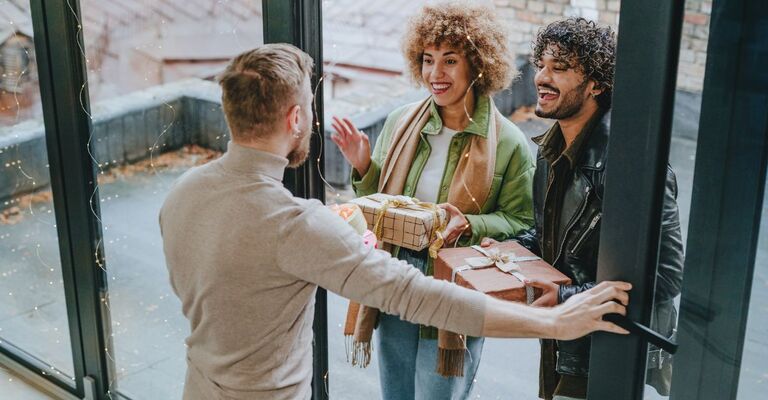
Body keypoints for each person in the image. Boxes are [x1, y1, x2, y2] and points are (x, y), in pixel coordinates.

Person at [159, 43, 632, 400]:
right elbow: (417, 296)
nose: (436, 71)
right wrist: (553, 323)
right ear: (297, 117)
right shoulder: (296, 225)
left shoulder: (182, 193)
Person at [331, 4, 536, 398]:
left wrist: (471, 224)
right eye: (427, 60)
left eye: (450, 60)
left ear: (477, 64)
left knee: (439, 393)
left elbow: (521, 222)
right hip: (396, 278)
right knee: (396, 391)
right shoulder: (401, 121)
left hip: (457, 284)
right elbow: (384, 206)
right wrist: (364, 168)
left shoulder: (508, 142)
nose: (435, 74)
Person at [482, 18, 685, 400]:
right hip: (565, 338)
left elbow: (667, 275)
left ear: (597, 83)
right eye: (541, 64)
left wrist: (567, 297)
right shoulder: (549, 148)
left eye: (559, 69)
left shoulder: (633, 167)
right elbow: (553, 239)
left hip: (610, 350)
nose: (541, 77)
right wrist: (502, 247)